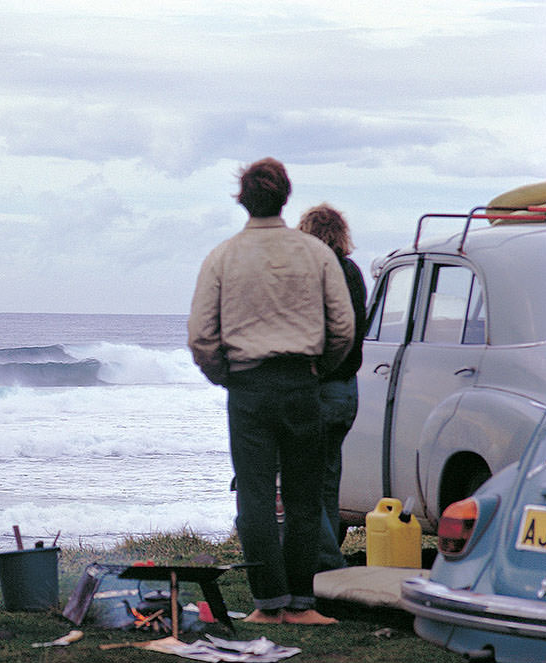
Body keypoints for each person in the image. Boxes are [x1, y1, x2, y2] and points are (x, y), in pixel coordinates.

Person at [188, 158, 354, 625]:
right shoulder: (316, 254)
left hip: (249, 386)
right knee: (305, 496)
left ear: (243, 198)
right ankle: (302, 603)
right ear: (286, 196)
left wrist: (226, 375)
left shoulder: (223, 255)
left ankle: (268, 604)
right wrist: (320, 368)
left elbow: (202, 334)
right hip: (303, 381)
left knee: (256, 497)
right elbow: (343, 326)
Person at [298, 204, 368, 572]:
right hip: (348, 389)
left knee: (305, 481)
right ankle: (322, 558)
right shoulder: (353, 272)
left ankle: (324, 562)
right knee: (327, 478)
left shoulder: (311, 273)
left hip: (319, 387)